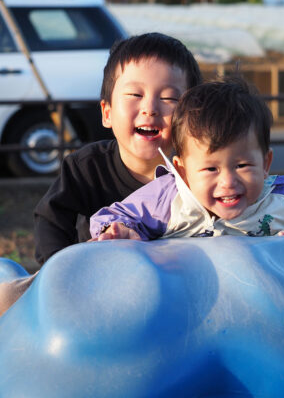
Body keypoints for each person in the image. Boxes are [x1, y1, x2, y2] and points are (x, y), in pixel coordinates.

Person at [0, 32, 202, 316]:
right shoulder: (87, 166)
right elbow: (51, 218)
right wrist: (58, 273)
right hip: (88, 281)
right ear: (107, 112)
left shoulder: (200, 175)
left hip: (170, 291)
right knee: (6, 294)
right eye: (135, 95)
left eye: (169, 98)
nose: (150, 108)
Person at [90, 79, 284, 262]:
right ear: (183, 172)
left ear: (265, 164)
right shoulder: (168, 200)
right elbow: (112, 216)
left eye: (242, 165)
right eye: (210, 169)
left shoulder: (279, 208)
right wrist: (120, 230)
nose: (228, 182)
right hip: (181, 304)